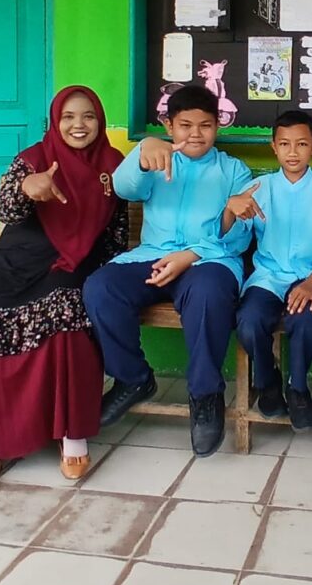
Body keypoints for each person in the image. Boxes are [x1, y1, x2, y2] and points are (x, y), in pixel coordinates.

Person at [0, 86, 127, 502]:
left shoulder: (112, 166)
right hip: (14, 261)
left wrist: (110, 273)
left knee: (68, 312)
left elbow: (116, 233)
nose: (79, 125)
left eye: (88, 116)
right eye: (68, 117)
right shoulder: (31, 159)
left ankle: (72, 431)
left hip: (73, 262)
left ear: (100, 121)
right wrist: (29, 187)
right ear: (54, 122)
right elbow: (6, 212)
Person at [83, 84, 252, 457]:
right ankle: (133, 379)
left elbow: (240, 236)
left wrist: (190, 255)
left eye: (205, 125)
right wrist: (143, 155)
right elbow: (124, 189)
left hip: (209, 260)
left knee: (208, 294)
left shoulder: (233, 171)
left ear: (217, 126)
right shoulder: (157, 158)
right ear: (169, 125)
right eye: (185, 125)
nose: (196, 134)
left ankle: (205, 394)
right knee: (101, 288)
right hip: (151, 256)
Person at [229, 111, 312, 431]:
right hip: (269, 276)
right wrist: (231, 211)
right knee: (249, 321)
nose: (293, 152)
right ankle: (268, 381)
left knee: (305, 319)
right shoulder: (259, 187)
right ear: (273, 147)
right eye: (284, 144)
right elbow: (237, 237)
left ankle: (298, 389)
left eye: (302, 144)